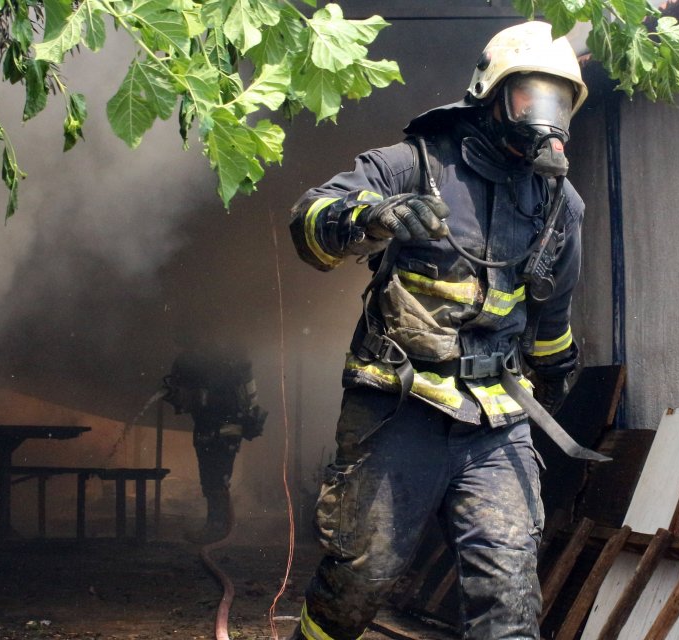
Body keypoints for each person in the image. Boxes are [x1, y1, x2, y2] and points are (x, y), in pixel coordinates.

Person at [286, 21, 600, 640]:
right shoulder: (412, 165)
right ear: (491, 92)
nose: (545, 117)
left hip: (495, 420)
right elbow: (308, 226)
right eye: (530, 97)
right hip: (399, 408)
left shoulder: (561, 206)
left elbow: (551, 324)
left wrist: (557, 372)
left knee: (509, 594)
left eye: (558, 102)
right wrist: (373, 217)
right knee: (363, 576)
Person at [162, 336, 265, 544]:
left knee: (216, 477)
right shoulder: (225, 358)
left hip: (222, 428)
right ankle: (216, 525)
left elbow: (210, 398)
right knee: (212, 478)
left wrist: (193, 398)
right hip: (210, 427)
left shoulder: (217, 362)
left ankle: (218, 527)